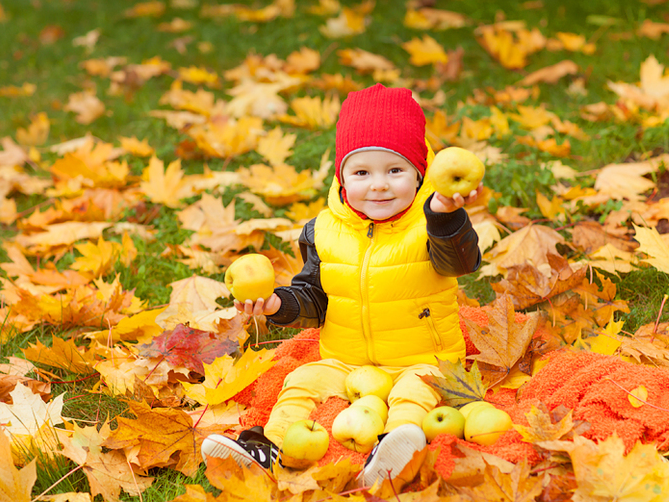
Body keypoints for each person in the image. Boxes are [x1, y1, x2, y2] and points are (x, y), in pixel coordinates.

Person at [202, 83, 482, 489]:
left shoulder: (432, 222)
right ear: (342, 177)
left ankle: (395, 446)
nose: (379, 185)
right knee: (300, 381)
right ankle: (268, 447)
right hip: (345, 360)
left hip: (423, 357)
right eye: (362, 172)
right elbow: (315, 299)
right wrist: (276, 304)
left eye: (395, 170)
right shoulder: (323, 231)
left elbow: (461, 263)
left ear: (421, 172)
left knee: (415, 392)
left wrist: (444, 215)